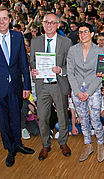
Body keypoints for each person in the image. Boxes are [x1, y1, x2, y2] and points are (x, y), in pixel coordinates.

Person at [0, 5, 34, 167]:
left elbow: (24, 63)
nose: (2, 21)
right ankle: (10, 149)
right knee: (3, 120)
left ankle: (18, 144)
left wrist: (27, 86)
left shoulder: (17, 36)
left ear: (10, 20)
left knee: (16, 117)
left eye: (5, 18)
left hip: (16, 87)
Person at [30, 13, 72, 161]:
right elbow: (33, 62)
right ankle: (45, 144)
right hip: (42, 85)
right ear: (42, 24)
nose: (49, 25)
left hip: (58, 85)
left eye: (52, 22)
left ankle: (63, 142)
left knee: (62, 116)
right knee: (42, 118)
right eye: (46, 22)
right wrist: (34, 71)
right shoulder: (35, 41)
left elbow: (70, 65)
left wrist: (61, 70)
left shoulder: (66, 42)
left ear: (58, 25)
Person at [67, 22, 104, 162]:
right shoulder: (72, 50)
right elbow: (70, 73)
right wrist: (77, 92)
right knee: (83, 119)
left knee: (95, 120)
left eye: (85, 32)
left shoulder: (99, 51)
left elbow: (100, 74)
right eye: (80, 32)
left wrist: (88, 92)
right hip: (77, 90)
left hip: (93, 89)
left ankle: (100, 144)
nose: (83, 34)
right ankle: (88, 145)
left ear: (92, 34)